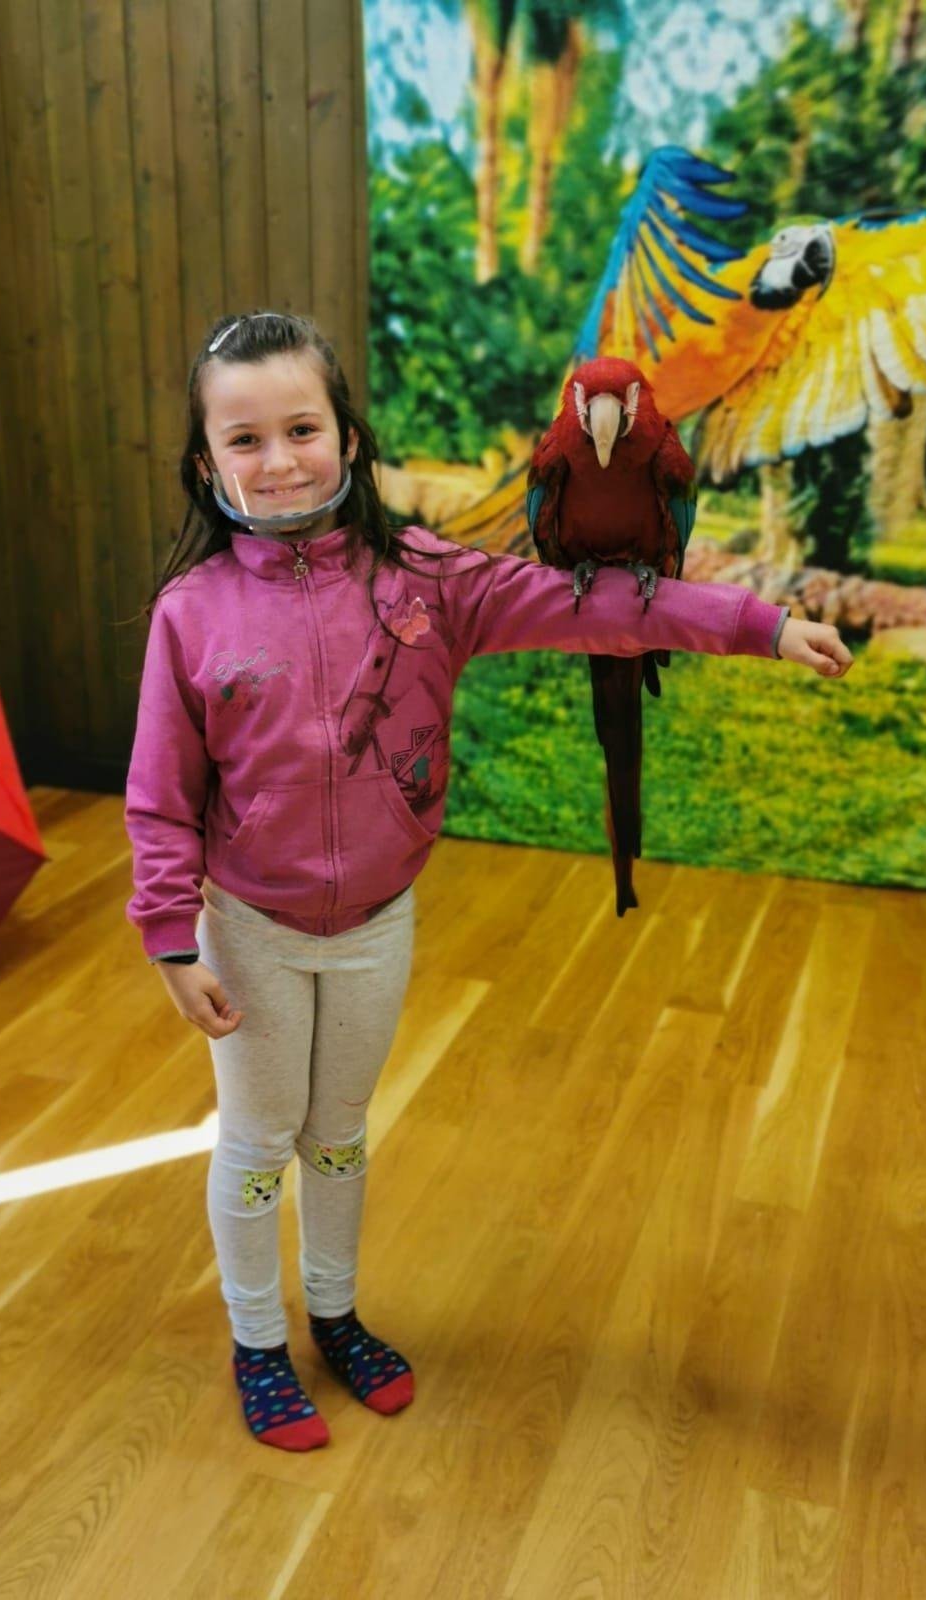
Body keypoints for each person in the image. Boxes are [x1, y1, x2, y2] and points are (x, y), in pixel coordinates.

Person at [123, 309, 853, 1454]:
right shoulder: (191, 613)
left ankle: (334, 1313)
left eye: (301, 429)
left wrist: (760, 626)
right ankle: (258, 1340)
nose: (279, 460)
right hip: (250, 928)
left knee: (340, 1133)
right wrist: (170, 935)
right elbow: (160, 793)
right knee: (259, 1141)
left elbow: (603, 604)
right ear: (207, 460)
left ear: (348, 438)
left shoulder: (431, 578)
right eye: (244, 439)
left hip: (376, 927)